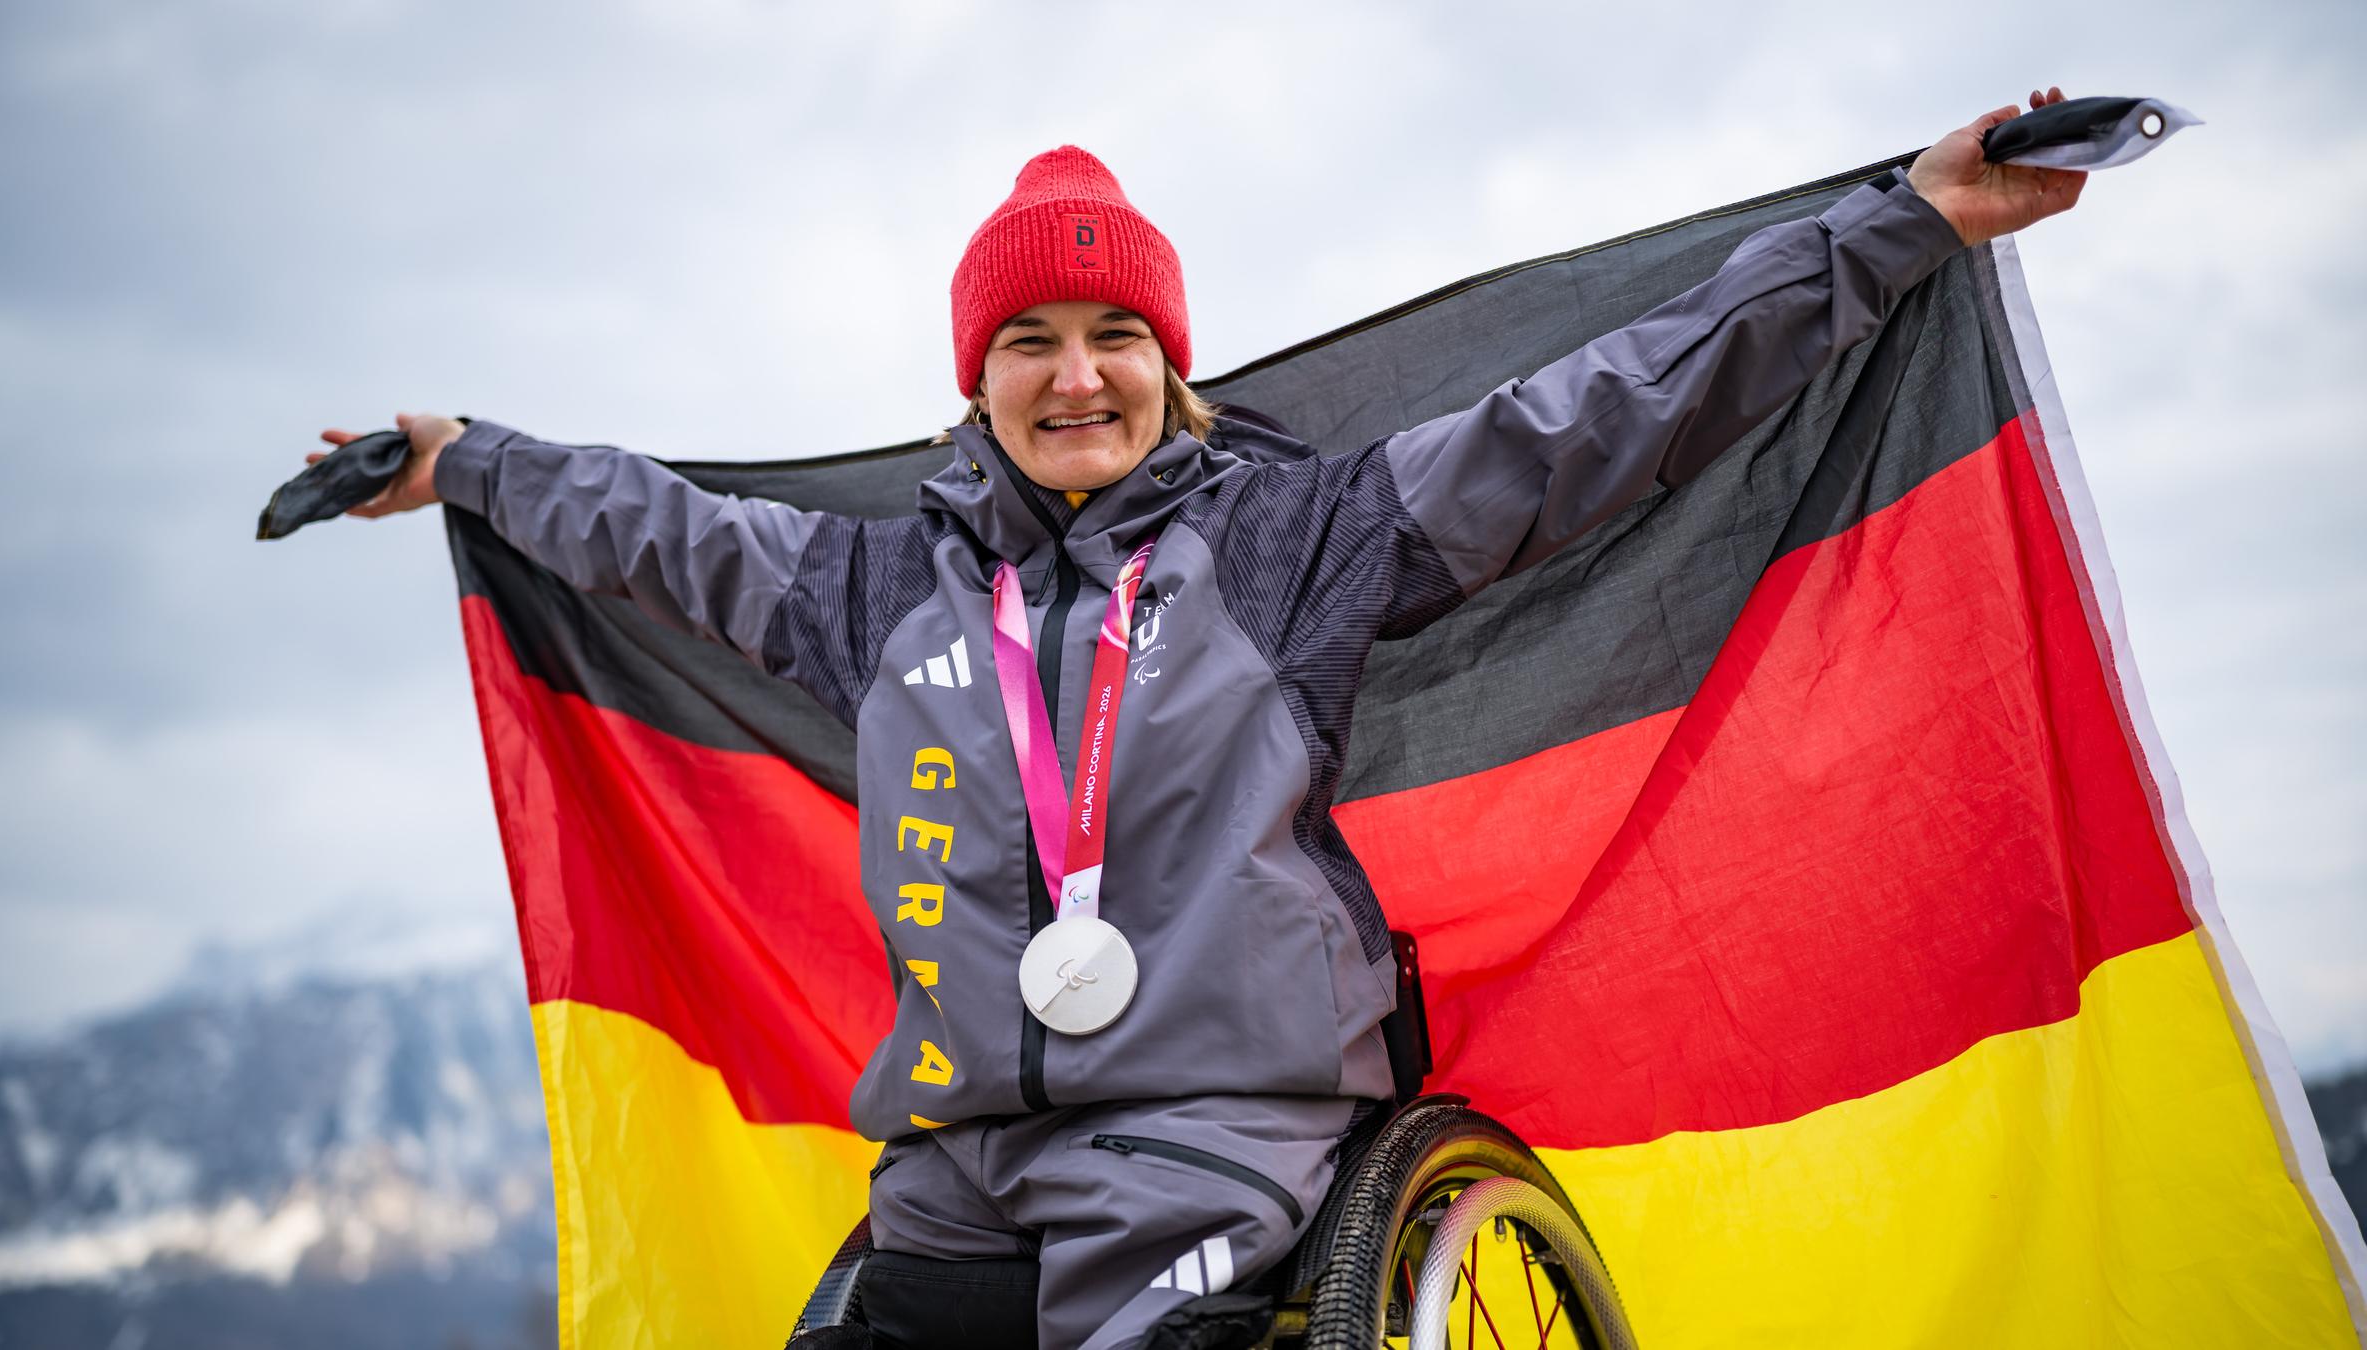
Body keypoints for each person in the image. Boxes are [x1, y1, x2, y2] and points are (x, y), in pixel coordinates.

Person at [317, 90, 2085, 1350]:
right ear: (975, 374)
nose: (1075, 373)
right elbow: (660, 532)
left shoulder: (1296, 538)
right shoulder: (873, 593)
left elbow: (1598, 415)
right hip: (967, 1161)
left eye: (1112, 334)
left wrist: (1904, 224)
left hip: (1224, 1133)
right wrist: (468, 464)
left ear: (1172, 363)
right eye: (1030, 337)